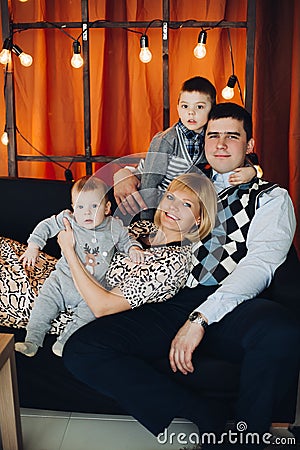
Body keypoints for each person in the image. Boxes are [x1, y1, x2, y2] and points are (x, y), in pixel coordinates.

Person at [63, 103, 300, 449]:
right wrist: (120, 176)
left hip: (233, 302)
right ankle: (208, 417)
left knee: (281, 331)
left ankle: (247, 437)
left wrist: (200, 318)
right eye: (213, 135)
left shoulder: (270, 197)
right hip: (171, 297)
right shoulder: (189, 179)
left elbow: (260, 266)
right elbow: (138, 177)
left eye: (232, 136)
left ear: (249, 145)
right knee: (81, 350)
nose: (220, 144)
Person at [15, 175, 144, 358]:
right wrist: (33, 247)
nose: (87, 213)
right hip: (62, 281)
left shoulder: (114, 227)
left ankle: (64, 342)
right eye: (81, 207)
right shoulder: (69, 219)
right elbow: (46, 226)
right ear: (73, 207)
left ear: (107, 208)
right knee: (43, 304)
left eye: (94, 206)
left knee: (88, 315)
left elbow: (127, 240)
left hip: (92, 289)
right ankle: (32, 340)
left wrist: (134, 250)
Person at [56, 172, 217, 317]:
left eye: (186, 204)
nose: (173, 206)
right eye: (170, 197)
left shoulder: (173, 263)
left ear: (199, 218)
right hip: (63, 282)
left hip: (73, 311)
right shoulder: (143, 228)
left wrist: (68, 250)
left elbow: (102, 307)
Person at [113, 76, 257, 220]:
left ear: (211, 110)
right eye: (185, 106)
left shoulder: (210, 137)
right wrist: (146, 220)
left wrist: (251, 170)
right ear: (177, 108)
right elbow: (150, 180)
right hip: (151, 199)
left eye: (199, 107)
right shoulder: (166, 140)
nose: (191, 113)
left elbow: (234, 157)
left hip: (178, 204)